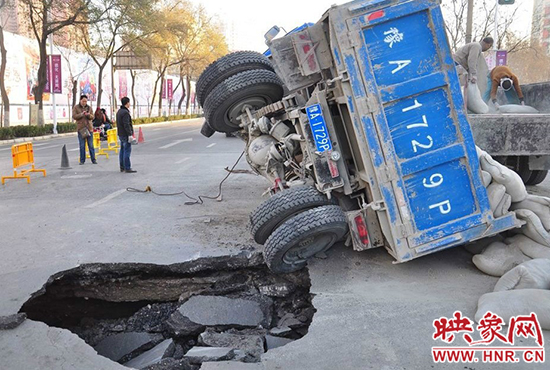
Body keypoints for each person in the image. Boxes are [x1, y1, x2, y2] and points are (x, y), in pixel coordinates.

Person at [72, 94, 96, 165]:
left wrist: (88, 115)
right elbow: (74, 116)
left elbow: (92, 117)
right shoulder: (76, 107)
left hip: (89, 128)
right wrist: (81, 114)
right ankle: (82, 160)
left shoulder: (89, 108)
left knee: (91, 145)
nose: (84, 103)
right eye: (83, 101)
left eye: (85, 101)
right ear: (80, 100)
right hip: (81, 129)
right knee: (82, 145)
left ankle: (93, 159)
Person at [116, 97, 136, 173]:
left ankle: (122, 167)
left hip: (121, 134)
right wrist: (130, 134)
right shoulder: (125, 113)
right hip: (125, 134)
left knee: (122, 150)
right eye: (129, 102)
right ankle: (127, 167)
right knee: (127, 150)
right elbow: (126, 124)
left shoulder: (119, 112)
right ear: (127, 103)